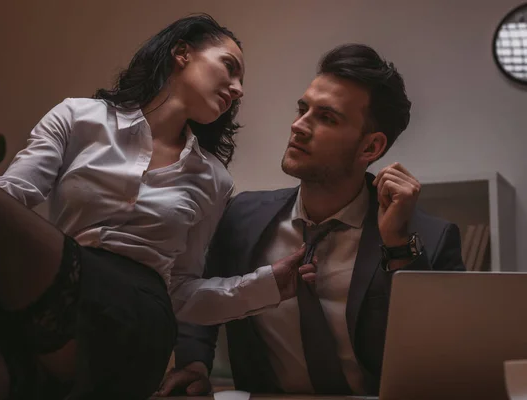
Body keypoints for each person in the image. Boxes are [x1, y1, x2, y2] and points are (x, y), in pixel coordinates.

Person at [0, 14, 316, 400]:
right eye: (229, 69)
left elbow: (179, 290)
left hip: (135, 325)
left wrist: (267, 286)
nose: (238, 90)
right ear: (182, 53)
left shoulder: (214, 180)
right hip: (57, 301)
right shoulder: (78, 117)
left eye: (241, 82)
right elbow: (11, 194)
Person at [157, 44, 465, 397]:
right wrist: (195, 364)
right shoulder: (241, 215)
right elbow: (198, 294)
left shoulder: (429, 238)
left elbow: (440, 355)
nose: (298, 126)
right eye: (303, 109)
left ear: (371, 148)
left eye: (327, 118)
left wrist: (397, 244)